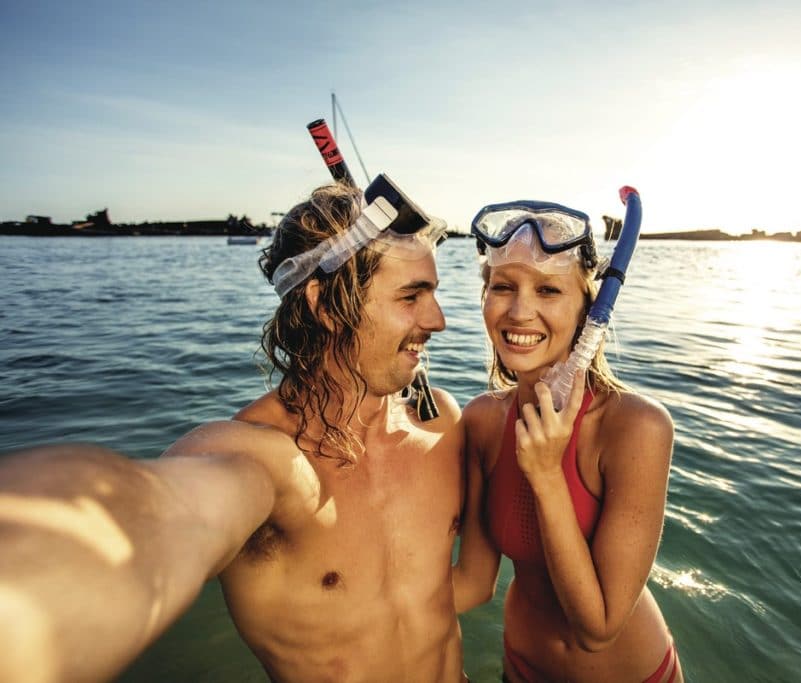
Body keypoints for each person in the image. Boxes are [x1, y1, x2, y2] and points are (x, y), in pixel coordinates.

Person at [0, 178, 467, 683]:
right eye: (411, 296)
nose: (438, 320)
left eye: (433, 293)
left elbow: (461, 589)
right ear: (326, 306)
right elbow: (151, 512)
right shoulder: (266, 459)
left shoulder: (440, 420)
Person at [453, 201, 683, 682]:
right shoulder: (480, 421)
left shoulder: (635, 427)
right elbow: (472, 582)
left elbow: (598, 629)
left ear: (587, 308)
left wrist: (545, 472)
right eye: (503, 286)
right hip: (520, 667)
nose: (520, 311)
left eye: (548, 289)